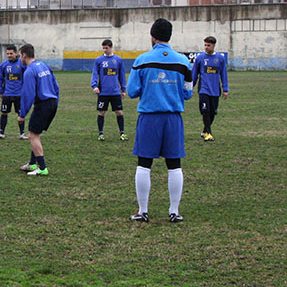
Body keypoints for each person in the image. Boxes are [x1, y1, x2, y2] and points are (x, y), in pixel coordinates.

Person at [126, 18, 193, 223]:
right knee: (174, 165)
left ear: (152, 37)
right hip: (173, 118)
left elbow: (131, 91)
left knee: (144, 164)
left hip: (149, 117)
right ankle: (174, 211)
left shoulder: (142, 60)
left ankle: (143, 211)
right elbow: (188, 93)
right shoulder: (183, 62)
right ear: (169, 36)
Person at [17, 43, 60, 176]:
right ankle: (32, 164)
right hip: (52, 102)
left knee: (33, 135)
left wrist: (22, 114)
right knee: (35, 133)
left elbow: (28, 93)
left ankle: (42, 168)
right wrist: (55, 101)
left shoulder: (30, 71)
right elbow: (56, 86)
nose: (20, 59)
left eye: (20, 55)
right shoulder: (44, 66)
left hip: (43, 104)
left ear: (24, 55)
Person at [191, 35, 229, 141]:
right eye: (205, 45)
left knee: (212, 112)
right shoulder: (200, 58)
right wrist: (190, 87)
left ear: (214, 46)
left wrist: (225, 89)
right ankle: (208, 133)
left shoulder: (220, 59)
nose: (206, 47)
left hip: (215, 90)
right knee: (205, 111)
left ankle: (205, 130)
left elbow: (223, 74)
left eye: (209, 45)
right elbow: (194, 74)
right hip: (203, 89)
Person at [91, 39, 127, 141]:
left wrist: (123, 89)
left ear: (111, 47)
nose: (105, 50)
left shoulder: (118, 60)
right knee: (101, 112)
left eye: (106, 48)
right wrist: (95, 86)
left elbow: (122, 76)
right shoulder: (99, 60)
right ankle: (101, 134)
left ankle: (122, 134)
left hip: (115, 92)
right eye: (103, 48)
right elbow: (94, 74)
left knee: (119, 112)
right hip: (103, 92)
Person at [0, 45, 26, 140]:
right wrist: (0, 91)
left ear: (16, 53)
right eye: (7, 53)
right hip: (7, 94)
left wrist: (26, 91)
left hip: (19, 94)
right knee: (4, 113)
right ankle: (1, 132)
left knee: (21, 114)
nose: (9, 55)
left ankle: (22, 133)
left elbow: (27, 78)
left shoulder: (22, 64)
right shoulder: (3, 65)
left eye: (11, 53)